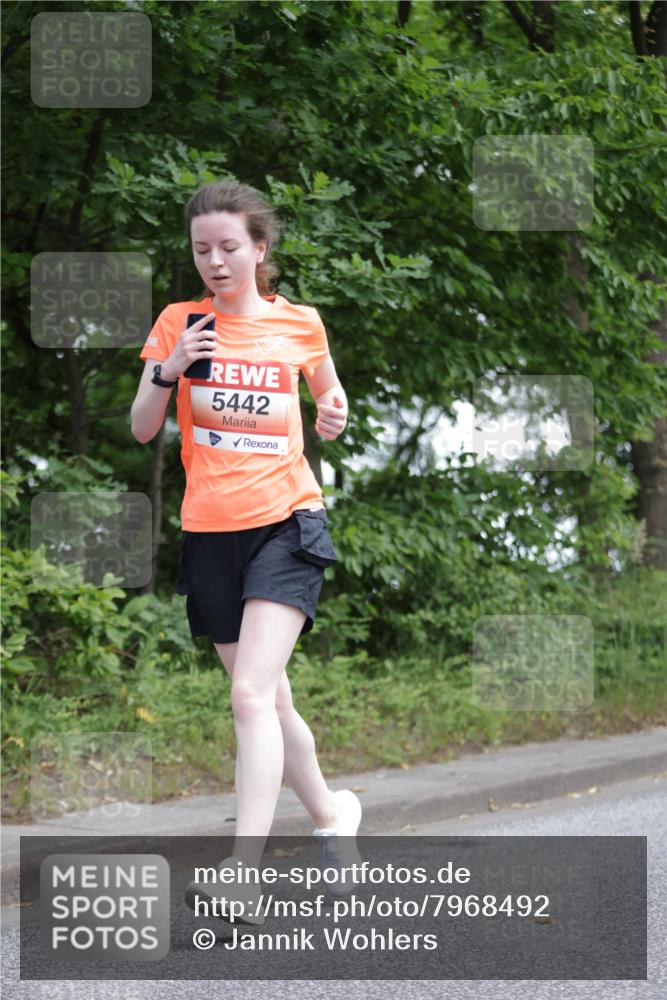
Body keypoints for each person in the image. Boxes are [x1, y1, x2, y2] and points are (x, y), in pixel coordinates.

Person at [130, 181, 362, 926]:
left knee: (248, 697)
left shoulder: (299, 324)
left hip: (286, 522)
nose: (216, 262)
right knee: (273, 699)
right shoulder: (178, 322)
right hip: (211, 531)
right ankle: (332, 818)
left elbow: (332, 399)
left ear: (259, 248)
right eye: (202, 250)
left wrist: (331, 414)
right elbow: (140, 427)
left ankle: (242, 876)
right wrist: (169, 371)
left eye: (230, 247)